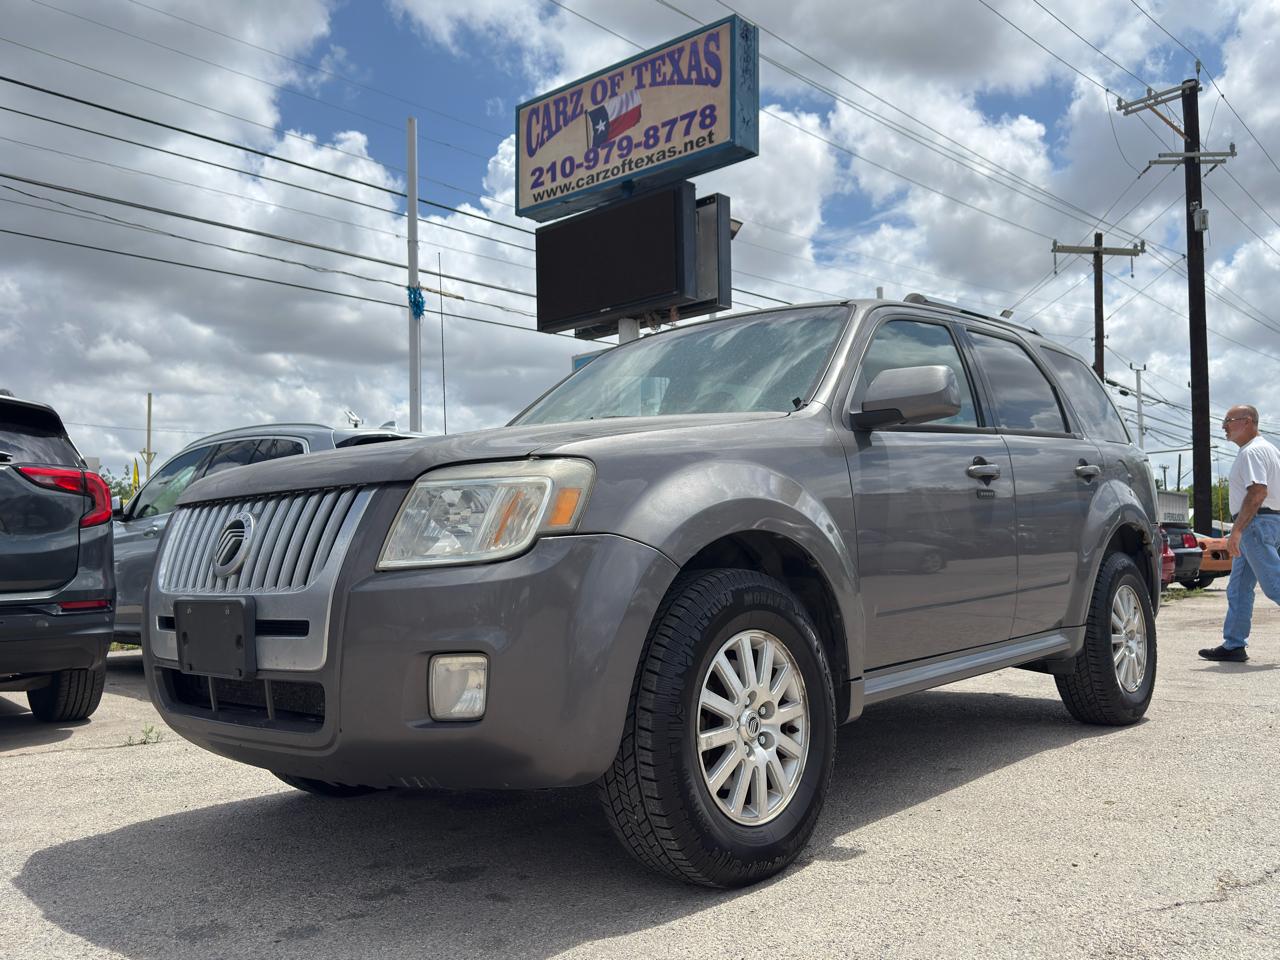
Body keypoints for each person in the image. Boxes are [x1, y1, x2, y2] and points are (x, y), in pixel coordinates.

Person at [1199, 404, 1280, 662]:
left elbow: (1258, 492)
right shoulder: (1269, 450)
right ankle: (1234, 645)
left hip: (1254, 525)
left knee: (1275, 584)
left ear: (1247, 421)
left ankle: (1234, 643)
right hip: (1264, 522)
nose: (1224, 426)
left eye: (1228, 420)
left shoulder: (1252, 452)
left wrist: (1237, 530)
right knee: (1239, 589)